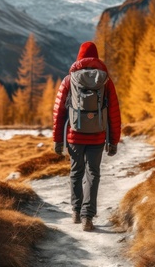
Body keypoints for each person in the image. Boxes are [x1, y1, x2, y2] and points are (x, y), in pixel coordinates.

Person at [52, 41, 121, 232]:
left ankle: (75, 211)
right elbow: (114, 112)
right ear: (96, 58)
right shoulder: (105, 80)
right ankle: (87, 217)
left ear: (79, 57)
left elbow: (59, 111)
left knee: (76, 172)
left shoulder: (69, 80)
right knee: (93, 174)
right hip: (98, 136)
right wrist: (113, 141)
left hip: (75, 135)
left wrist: (58, 139)